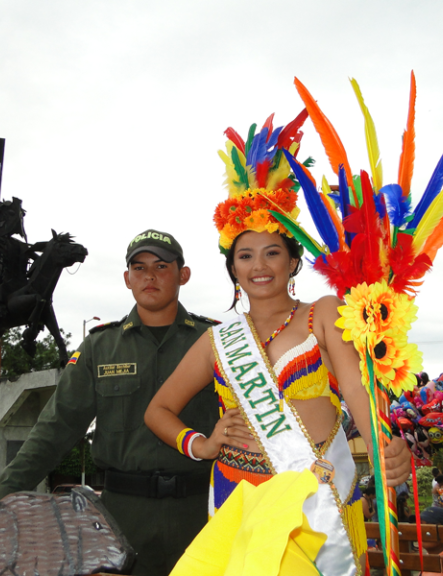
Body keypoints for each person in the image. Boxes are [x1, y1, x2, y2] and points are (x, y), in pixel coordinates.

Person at [144, 113, 411, 576]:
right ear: (233, 268)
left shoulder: (323, 312)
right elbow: (158, 410)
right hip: (238, 494)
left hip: (317, 490)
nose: (258, 265)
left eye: (272, 252)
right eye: (245, 255)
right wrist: (200, 444)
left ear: (292, 261)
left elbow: (356, 391)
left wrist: (384, 448)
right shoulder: (217, 340)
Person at [0, 229, 220, 576]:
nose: (149, 276)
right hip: (121, 521)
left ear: (183, 274)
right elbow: (54, 430)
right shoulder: (100, 347)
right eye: (138, 268)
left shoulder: (215, 341)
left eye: (161, 266)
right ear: (127, 279)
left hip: (202, 513)